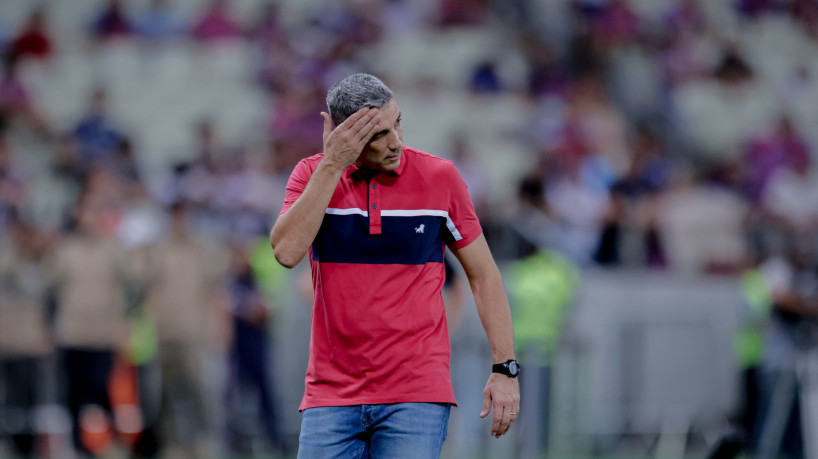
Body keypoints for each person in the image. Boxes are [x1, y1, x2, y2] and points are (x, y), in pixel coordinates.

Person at [269, 73, 520, 458]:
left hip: (416, 392)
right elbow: (286, 253)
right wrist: (332, 166)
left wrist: (505, 369)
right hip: (331, 393)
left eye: (397, 123)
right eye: (377, 134)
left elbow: (484, 275)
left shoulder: (441, 178)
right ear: (342, 136)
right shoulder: (311, 175)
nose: (395, 142)